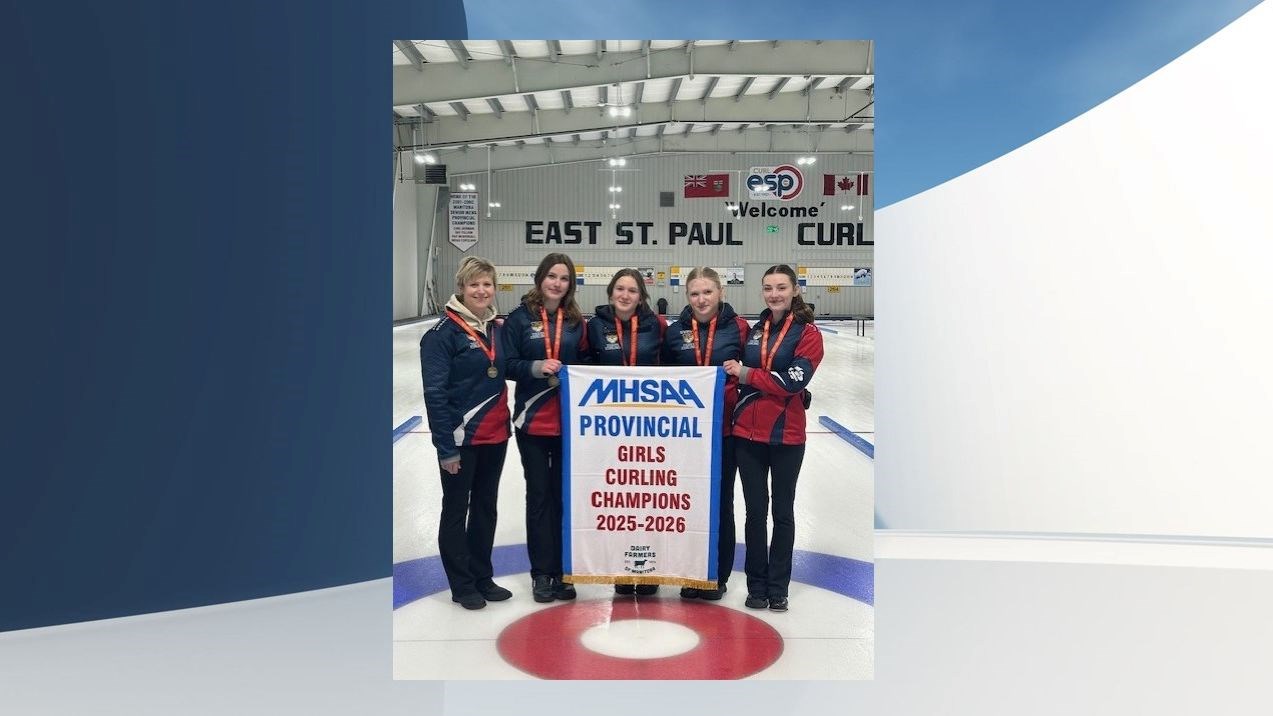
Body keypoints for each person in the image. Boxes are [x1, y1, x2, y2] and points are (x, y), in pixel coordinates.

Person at [723, 264, 824, 612]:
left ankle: (778, 587)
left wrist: (750, 374)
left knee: (782, 513)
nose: (774, 294)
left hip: (787, 437)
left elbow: (793, 381)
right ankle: (756, 585)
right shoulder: (755, 330)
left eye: (781, 287)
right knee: (754, 514)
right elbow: (742, 375)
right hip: (747, 436)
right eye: (768, 288)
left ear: (795, 290)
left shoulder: (808, 333)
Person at [419, 256, 512, 610]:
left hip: (495, 436)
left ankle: (482, 576)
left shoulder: (497, 329)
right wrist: (446, 448)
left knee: (486, 508)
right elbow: (434, 394)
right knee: (457, 509)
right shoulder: (442, 334)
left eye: (487, 283)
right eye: (474, 284)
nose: (481, 290)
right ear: (461, 288)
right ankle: (461, 583)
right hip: (460, 440)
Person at [500, 253, 590, 604]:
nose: (557, 283)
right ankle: (541, 574)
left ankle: (564, 572)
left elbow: (587, 362)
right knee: (539, 497)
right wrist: (536, 367)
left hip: (570, 425)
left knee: (564, 499)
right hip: (532, 422)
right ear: (540, 279)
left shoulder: (576, 321)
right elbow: (507, 363)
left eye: (564, 278)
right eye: (551, 276)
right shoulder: (519, 319)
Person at [662, 267, 751, 601]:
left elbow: (755, 367)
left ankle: (716, 574)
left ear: (720, 292)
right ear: (687, 297)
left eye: (707, 292)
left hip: (725, 431)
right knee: (688, 504)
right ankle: (691, 571)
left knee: (721, 503)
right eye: (694, 294)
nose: (701, 300)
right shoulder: (675, 333)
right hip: (686, 435)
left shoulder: (740, 329)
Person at [587, 268, 668, 596]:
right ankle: (622, 568)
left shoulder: (656, 326)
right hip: (610, 429)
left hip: (651, 427)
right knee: (619, 500)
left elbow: (677, 367)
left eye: (632, 290)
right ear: (610, 293)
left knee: (650, 500)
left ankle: (651, 571)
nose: (625, 295)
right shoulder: (595, 327)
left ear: (641, 296)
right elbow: (582, 365)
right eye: (619, 289)